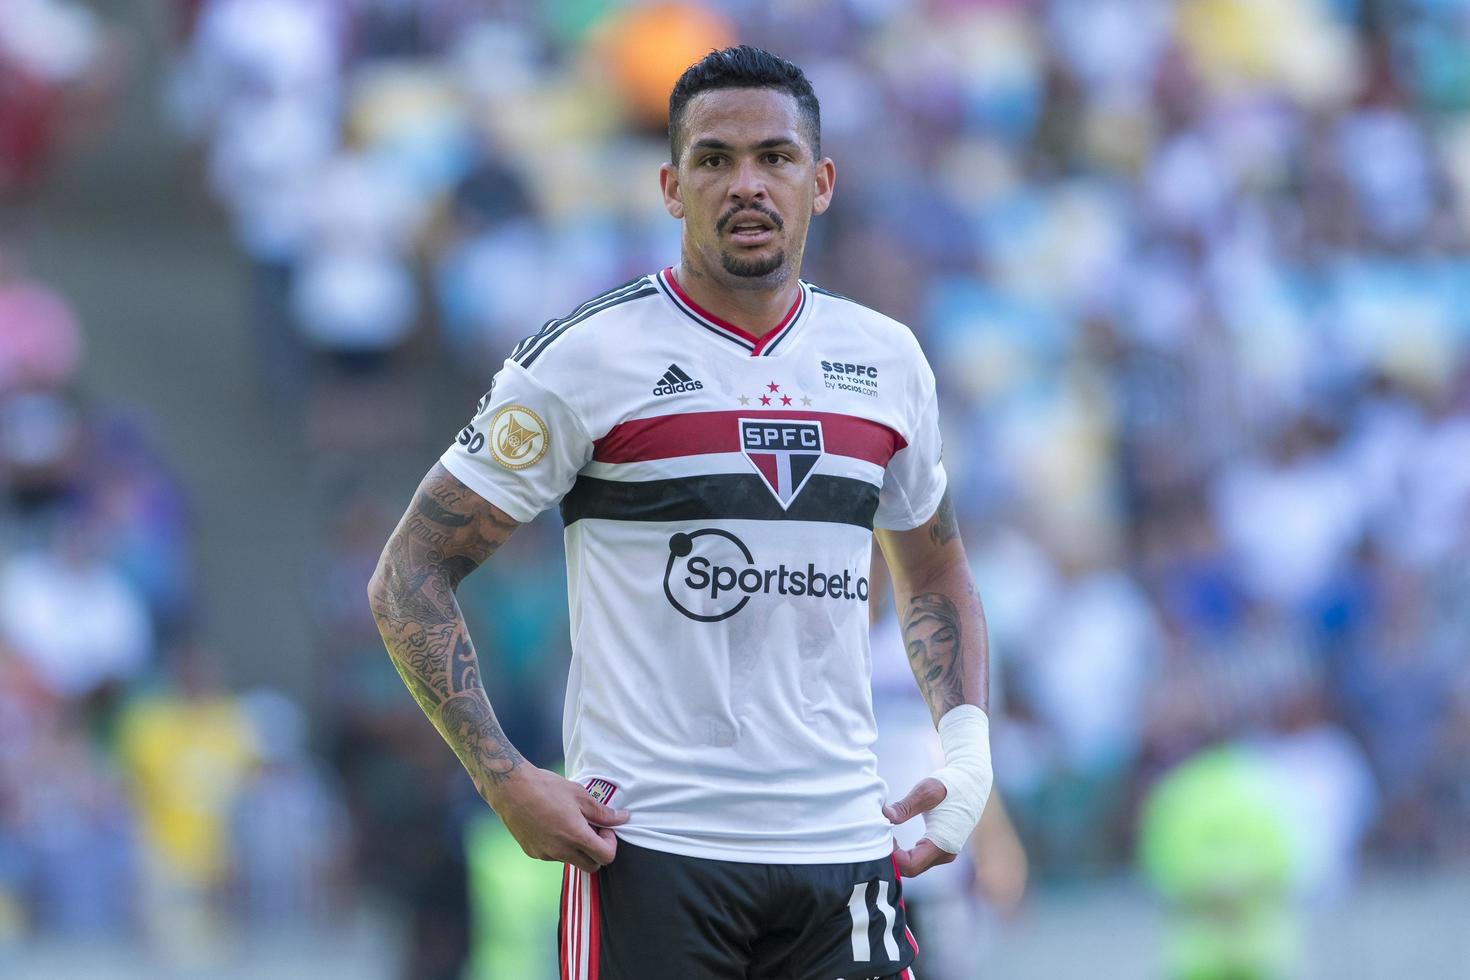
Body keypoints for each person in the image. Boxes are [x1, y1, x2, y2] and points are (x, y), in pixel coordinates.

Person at [368, 45, 993, 980]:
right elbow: (407, 575)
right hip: (650, 852)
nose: (747, 184)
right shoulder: (585, 358)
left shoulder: (889, 361)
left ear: (820, 182)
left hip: (843, 848)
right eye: (714, 159)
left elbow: (934, 568)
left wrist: (969, 753)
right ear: (670, 185)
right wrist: (503, 778)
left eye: (775, 158)